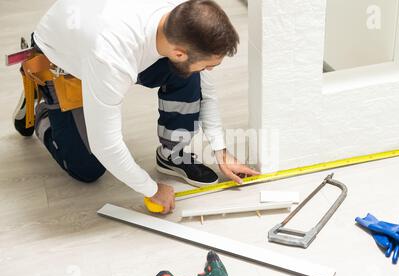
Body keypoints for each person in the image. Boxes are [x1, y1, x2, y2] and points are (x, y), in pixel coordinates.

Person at [13, 0, 259, 214]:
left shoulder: (183, 16)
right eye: (208, 65)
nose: (210, 71)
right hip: (63, 57)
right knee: (87, 169)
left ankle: (172, 155)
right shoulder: (111, 58)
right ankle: (42, 106)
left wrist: (221, 150)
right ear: (179, 52)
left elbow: (207, 91)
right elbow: (106, 146)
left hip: (103, 40)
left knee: (189, 75)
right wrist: (151, 189)